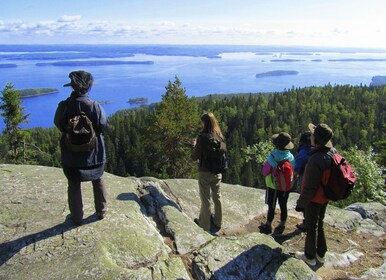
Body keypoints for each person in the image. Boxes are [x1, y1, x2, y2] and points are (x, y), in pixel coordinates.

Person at [54, 70, 109, 225]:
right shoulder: (94, 106)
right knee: (98, 179)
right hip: (94, 154)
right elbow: (104, 125)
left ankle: (77, 217)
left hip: (71, 155)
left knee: (73, 183)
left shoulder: (64, 106)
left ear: (72, 87)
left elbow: (58, 123)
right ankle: (101, 211)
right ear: (89, 86)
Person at [295, 123, 335, 266]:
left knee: (312, 227)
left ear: (315, 139)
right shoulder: (331, 153)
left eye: (313, 134)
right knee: (320, 224)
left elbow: (309, 187)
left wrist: (301, 204)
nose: (310, 135)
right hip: (325, 196)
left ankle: (310, 257)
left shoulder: (315, 159)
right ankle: (321, 253)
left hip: (314, 199)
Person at [192, 112, 226, 234]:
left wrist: (194, 146)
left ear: (204, 122)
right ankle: (218, 222)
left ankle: (204, 224)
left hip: (205, 172)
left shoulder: (202, 137)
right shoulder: (219, 135)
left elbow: (194, 157)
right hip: (217, 171)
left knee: (205, 199)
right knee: (217, 196)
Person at [259, 132, 295, 235]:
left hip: (272, 186)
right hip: (286, 186)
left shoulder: (272, 157)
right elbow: (294, 169)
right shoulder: (290, 157)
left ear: (276, 145)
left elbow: (265, 172)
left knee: (272, 206)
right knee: (283, 205)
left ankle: (268, 225)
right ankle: (282, 225)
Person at [294, 131, 312, 231]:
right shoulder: (317, 149)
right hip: (318, 180)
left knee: (305, 197)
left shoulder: (303, 151)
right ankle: (312, 221)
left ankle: (306, 222)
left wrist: (297, 172)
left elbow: (298, 165)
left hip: (305, 178)